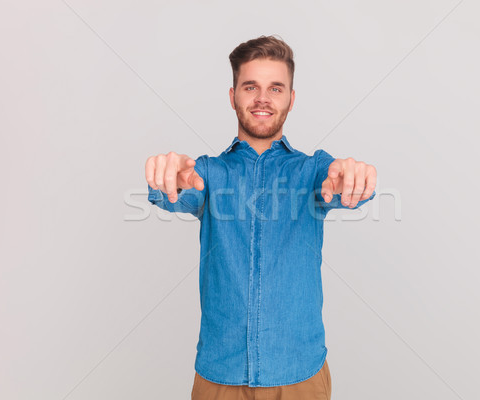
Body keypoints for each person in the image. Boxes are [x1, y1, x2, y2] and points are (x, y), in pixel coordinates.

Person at [145, 35, 377, 400]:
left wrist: (353, 178)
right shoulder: (208, 172)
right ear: (233, 95)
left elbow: (342, 184)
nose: (263, 98)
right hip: (219, 377)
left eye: (276, 88)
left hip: (300, 375)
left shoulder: (313, 169)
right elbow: (179, 194)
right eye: (250, 86)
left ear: (291, 99)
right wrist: (167, 180)